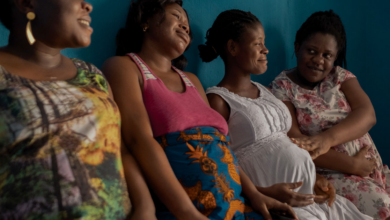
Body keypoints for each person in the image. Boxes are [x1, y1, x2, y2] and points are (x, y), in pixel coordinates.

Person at [102, 0, 297, 219]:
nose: (186, 26)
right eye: (177, 16)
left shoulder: (192, 80)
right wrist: (185, 211)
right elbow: (138, 140)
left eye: (187, 23)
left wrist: (254, 193)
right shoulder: (124, 67)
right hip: (187, 207)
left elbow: (223, 149)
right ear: (146, 20)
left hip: (231, 202)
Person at [202, 9, 372, 220]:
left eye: (264, 43)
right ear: (233, 47)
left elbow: (287, 142)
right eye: (257, 44)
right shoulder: (218, 100)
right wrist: (262, 193)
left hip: (311, 196)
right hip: (281, 202)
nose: (266, 50)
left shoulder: (265, 91)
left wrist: (314, 177)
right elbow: (219, 163)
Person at [0, 0, 155, 219]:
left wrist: (146, 209)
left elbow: (120, 150)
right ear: (27, 3)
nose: (88, 6)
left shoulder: (93, 75)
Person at [270, 10, 390, 220]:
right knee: (383, 207)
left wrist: (326, 140)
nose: (318, 60)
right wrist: (352, 165)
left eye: (327, 55)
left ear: (335, 58)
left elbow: (368, 114)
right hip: (330, 173)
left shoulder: (341, 77)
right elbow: (296, 143)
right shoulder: (282, 88)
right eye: (311, 51)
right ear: (297, 47)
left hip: (371, 169)